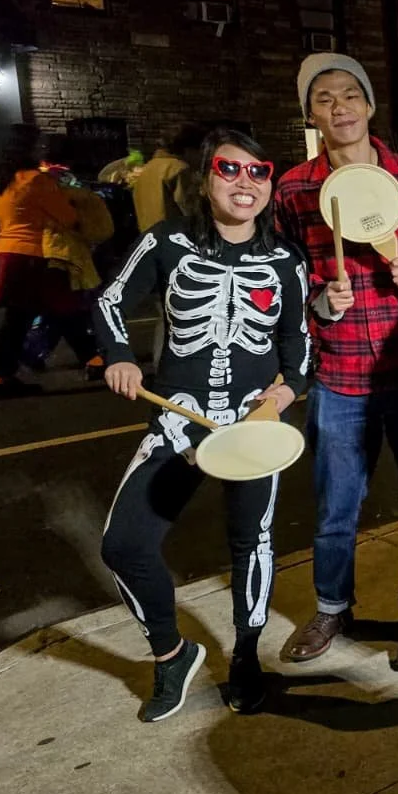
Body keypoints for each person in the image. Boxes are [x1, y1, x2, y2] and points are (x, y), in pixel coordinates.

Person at [94, 129, 310, 722]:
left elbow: (299, 346)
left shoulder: (287, 260)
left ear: (269, 184)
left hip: (251, 429)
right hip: (179, 422)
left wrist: (284, 393)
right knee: (124, 545)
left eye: (258, 172)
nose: (244, 182)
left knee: (253, 543)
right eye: (229, 169)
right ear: (206, 178)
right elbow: (109, 302)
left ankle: (246, 655)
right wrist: (118, 355)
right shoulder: (168, 242)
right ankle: (171, 653)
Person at [273, 53, 398, 671]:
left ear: (370, 104)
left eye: (350, 94)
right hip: (340, 376)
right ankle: (332, 605)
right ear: (311, 114)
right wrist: (317, 304)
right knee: (336, 504)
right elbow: (275, 283)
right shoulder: (297, 190)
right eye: (324, 99)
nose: (340, 107)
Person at [0, 124, 104, 399]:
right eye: (37, 145)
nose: (41, 150)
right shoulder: (36, 181)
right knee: (27, 318)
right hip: (35, 254)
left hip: (8, 251)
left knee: (59, 308)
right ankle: (2, 378)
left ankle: (93, 359)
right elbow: (67, 217)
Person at [131, 124, 205, 233]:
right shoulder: (178, 169)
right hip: (174, 238)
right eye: (201, 151)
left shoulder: (148, 168)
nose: (202, 157)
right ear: (189, 149)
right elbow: (191, 210)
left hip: (148, 238)